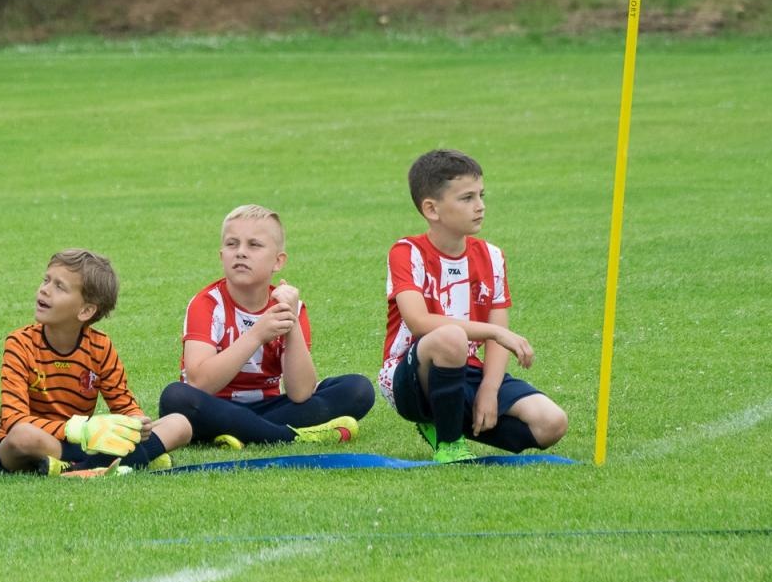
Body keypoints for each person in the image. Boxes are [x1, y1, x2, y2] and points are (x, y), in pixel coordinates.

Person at [378, 149, 569, 463]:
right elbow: (418, 322)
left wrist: (490, 390)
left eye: (481, 195)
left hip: (467, 371)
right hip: (408, 376)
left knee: (551, 424)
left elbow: (498, 330)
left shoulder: (491, 256)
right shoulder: (406, 251)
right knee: (451, 337)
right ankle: (449, 443)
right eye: (467, 198)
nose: (480, 206)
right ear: (432, 209)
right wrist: (493, 332)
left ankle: (447, 420)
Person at [157, 205, 374, 447]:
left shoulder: (291, 306)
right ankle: (284, 436)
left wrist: (291, 323)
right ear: (221, 256)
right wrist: (257, 334)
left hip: (269, 406)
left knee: (358, 389)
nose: (240, 253)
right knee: (175, 397)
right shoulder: (207, 303)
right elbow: (200, 382)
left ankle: (241, 432)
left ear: (278, 261)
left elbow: (301, 393)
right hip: (212, 404)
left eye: (254, 245)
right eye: (232, 244)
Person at [0, 249, 191, 475]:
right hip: (38, 443)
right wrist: (80, 430)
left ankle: (77, 466)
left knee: (180, 424)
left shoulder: (100, 346)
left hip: (86, 442)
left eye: (59, 286)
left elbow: (123, 403)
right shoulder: (19, 343)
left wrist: (138, 423)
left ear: (86, 310)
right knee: (21, 436)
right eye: (46, 280)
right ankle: (133, 459)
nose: (44, 289)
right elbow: (13, 420)